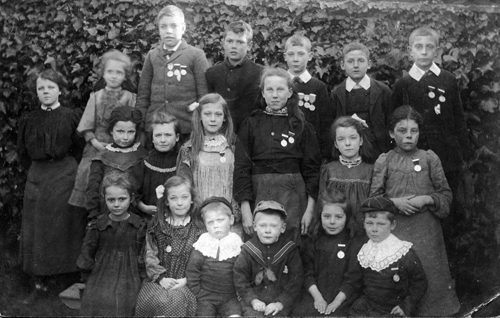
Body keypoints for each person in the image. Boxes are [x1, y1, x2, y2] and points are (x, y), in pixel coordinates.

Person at [391, 27, 473, 276]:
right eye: (419, 47)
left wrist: (464, 155)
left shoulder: (447, 79)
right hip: (416, 159)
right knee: (420, 213)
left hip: (447, 158)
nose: (424, 52)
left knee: (446, 210)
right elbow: (395, 124)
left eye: (429, 47)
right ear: (410, 51)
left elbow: (458, 118)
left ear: (437, 50)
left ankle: (447, 275)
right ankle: (419, 273)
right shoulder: (403, 84)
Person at [369, 105, 460, 316]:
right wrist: (395, 203)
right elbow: (373, 201)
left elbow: (445, 195)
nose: (408, 136)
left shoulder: (430, 158)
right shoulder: (385, 160)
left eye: (414, 131)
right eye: (402, 131)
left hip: (427, 232)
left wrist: (427, 199)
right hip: (397, 232)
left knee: (431, 278)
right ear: (392, 133)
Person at [17, 68, 86, 297]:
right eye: (41, 88)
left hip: (64, 175)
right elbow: (22, 153)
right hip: (38, 176)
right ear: (36, 92)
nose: (46, 91)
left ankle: (66, 277)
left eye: (50, 87)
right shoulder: (28, 118)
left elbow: (78, 148)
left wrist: (66, 169)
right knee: (38, 229)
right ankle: (40, 281)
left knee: (65, 226)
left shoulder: (70, 115)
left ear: (60, 90)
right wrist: (38, 170)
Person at [234, 67, 321, 242]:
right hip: (260, 191)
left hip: (293, 194)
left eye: (280, 89)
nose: (275, 95)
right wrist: (246, 211)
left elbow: (312, 170)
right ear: (263, 93)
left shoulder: (301, 125)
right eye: (270, 90)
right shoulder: (251, 124)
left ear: (289, 92)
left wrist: (309, 210)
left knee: (293, 247)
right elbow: (241, 168)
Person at [330, 197, 428, 316]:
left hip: (393, 308)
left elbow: (419, 283)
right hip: (367, 305)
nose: (374, 229)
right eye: (369, 223)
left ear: (392, 225)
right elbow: (353, 280)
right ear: (364, 224)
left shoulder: (403, 252)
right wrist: (337, 301)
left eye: (381, 224)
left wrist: (406, 306)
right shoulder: (364, 251)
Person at [69, 50, 137, 208]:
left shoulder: (130, 98)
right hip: (95, 149)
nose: (114, 76)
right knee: (91, 181)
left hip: (121, 150)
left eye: (119, 73)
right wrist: (96, 143)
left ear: (125, 76)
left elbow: (133, 127)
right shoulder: (96, 97)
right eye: (110, 72)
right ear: (103, 74)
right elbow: (86, 127)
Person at [136, 4, 209, 141]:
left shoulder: (196, 55)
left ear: (183, 28)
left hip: (186, 127)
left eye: (174, 26)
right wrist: (141, 127)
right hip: (156, 128)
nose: (169, 31)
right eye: (163, 26)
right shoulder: (152, 55)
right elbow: (143, 95)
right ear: (158, 30)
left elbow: (204, 95)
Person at [135, 176, 204, 317]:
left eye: (184, 197)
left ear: (191, 199)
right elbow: (150, 254)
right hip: (160, 280)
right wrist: (160, 278)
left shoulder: (198, 229)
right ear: (166, 201)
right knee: (150, 299)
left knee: (175, 300)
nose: (179, 203)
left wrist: (187, 280)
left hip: (185, 282)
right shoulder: (158, 226)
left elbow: (202, 261)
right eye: (173, 198)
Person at [77, 173, 146, 316]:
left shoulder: (139, 225)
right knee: (100, 300)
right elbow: (88, 250)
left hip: (130, 273)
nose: (116, 204)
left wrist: (143, 274)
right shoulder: (98, 225)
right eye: (111, 200)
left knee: (127, 301)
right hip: (103, 273)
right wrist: (85, 272)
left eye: (122, 199)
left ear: (131, 198)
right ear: (105, 200)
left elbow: (143, 251)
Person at [177, 93, 242, 237]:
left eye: (218, 114)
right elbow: (184, 185)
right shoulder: (189, 149)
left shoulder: (234, 146)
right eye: (207, 114)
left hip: (229, 216)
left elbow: (242, 180)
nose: (213, 119)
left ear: (225, 117)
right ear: (199, 116)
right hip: (200, 218)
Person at [292, 189, 362, 317]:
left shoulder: (353, 243)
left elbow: (353, 279)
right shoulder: (312, 240)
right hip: (314, 294)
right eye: (327, 216)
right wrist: (318, 298)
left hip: (342, 297)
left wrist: (336, 302)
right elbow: (307, 273)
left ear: (347, 217)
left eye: (339, 217)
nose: (332, 222)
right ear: (320, 216)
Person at [233, 200, 304, 317]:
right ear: (255, 226)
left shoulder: (289, 250)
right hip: (254, 302)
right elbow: (240, 278)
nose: (267, 230)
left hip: (280, 302)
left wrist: (281, 303)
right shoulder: (248, 250)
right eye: (262, 225)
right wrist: (253, 300)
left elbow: (296, 280)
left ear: (283, 228)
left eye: (274, 226)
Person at [331, 42, 392, 161]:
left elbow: (390, 122)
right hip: (348, 152)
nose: (355, 65)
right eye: (350, 61)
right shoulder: (336, 94)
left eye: (361, 61)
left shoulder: (383, 91)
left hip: (378, 151)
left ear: (369, 64)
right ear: (342, 65)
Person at [86, 106, 148, 219]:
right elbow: (92, 190)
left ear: (136, 132)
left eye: (130, 132)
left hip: (136, 217)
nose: (125, 137)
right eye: (120, 131)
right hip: (106, 215)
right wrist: (94, 217)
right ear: (111, 130)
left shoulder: (143, 157)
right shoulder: (101, 158)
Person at [186, 196, 244, 317]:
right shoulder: (203, 244)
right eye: (210, 222)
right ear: (205, 225)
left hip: (230, 297)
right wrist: (198, 294)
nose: (215, 226)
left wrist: (240, 292)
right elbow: (192, 271)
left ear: (231, 220)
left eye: (220, 220)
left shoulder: (236, 243)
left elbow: (243, 270)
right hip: (206, 297)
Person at [319, 116, 374, 237]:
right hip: (335, 231)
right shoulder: (328, 170)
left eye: (353, 138)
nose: (347, 143)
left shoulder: (371, 170)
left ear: (361, 141)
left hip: (362, 231)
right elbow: (322, 203)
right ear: (336, 144)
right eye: (341, 139)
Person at [205, 20, 264, 133]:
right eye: (230, 41)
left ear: (249, 46)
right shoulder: (212, 73)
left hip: (250, 134)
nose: (234, 46)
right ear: (223, 43)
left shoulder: (260, 73)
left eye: (240, 42)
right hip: (219, 134)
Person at [284, 34, 334, 162]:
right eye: (291, 54)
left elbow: (325, 123)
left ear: (310, 56)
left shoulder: (318, 87)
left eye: (301, 54)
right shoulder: (279, 85)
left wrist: (325, 154)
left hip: (311, 150)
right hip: (283, 146)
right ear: (285, 56)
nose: (295, 59)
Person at [137, 109, 180, 218]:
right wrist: (143, 207)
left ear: (177, 137)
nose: (162, 140)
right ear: (152, 138)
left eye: (168, 135)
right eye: (158, 135)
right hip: (148, 218)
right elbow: (133, 193)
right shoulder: (144, 163)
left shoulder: (182, 163)